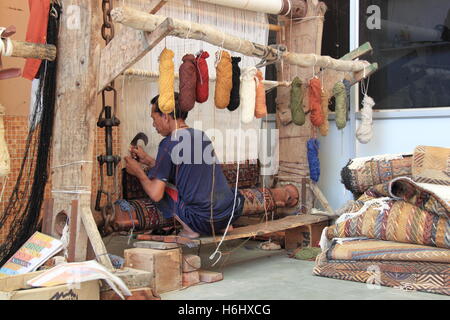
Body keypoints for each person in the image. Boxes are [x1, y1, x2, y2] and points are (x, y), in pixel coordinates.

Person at [124, 92, 244, 239]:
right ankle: (223, 226)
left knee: (159, 185)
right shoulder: (201, 136)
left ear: (166, 117)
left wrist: (138, 171)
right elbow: (183, 169)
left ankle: (189, 230)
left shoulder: (168, 143)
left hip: (203, 221)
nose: (153, 124)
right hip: (229, 214)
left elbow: (156, 194)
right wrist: (147, 160)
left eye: (154, 119)